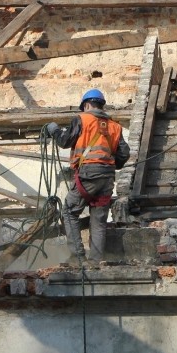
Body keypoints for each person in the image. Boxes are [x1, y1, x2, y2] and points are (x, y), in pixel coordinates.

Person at [46, 89, 130, 267]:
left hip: (88, 175)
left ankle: (77, 256)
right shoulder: (115, 126)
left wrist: (53, 130)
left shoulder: (82, 119)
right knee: (98, 219)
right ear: (101, 105)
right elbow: (124, 154)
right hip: (107, 177)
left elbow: (64, 141)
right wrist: (111, 164)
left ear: (86, 105)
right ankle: (95, 261)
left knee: (69, 211)